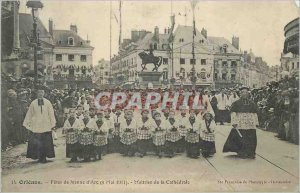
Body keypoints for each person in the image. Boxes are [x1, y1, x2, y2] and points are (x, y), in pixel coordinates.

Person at [223, 86, 259, 159]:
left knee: (251, 137)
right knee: (241, 137)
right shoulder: (236, 103)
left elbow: (255, 113)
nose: (244, 94)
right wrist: (234, 122)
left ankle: (251, 152)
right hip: (240, 122)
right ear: (240, 93)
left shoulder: (252, 103)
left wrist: (256, 122)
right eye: (243, 92)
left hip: (250, 123)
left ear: (248, 93)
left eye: (246, 92)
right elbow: (233, 113)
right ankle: (242, 152)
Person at [23, 85, 56, 163]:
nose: (40, 94)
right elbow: (29, 114)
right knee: (38, 143)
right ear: (37, 93)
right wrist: (27, 123)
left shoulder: (48, 102)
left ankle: (44, 157)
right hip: (36, 126)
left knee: (45, 143)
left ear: (44, 93)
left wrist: (53, 123)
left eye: (42, 92)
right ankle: (39, 157)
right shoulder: (33, 103)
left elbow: (51, 114)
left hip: (46, 125)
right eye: (39, 92)